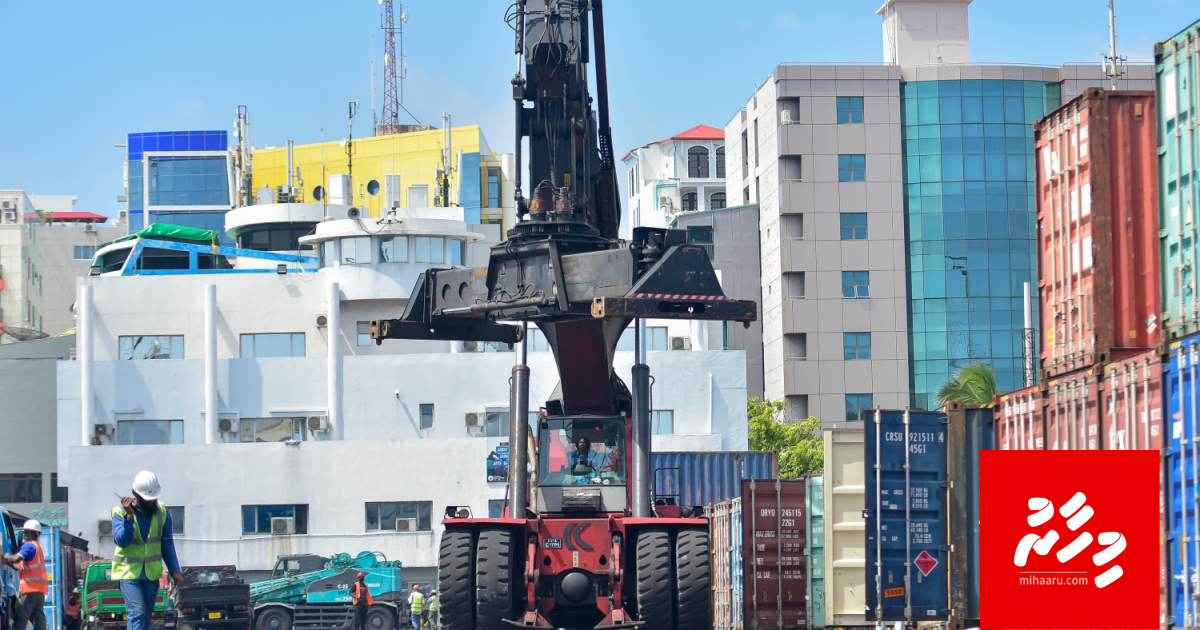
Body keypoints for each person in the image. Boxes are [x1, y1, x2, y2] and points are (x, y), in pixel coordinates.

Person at [112, 471, 183, 630]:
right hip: (128, 573)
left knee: (146, 615)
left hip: (151, 574)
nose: (151, 502)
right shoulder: (120, 512)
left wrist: (175, 570)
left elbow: (167, 543)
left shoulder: (162, 511)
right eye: (147, 499)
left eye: (153, 499)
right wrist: (129, 518)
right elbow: (121, 541)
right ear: (136, 494)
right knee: (136, 612)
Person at [2, 520, 49, 630]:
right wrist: (8, 562)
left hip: (29, 591)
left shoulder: (29, 546)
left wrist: (5, 556)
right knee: (39, 621)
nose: (24, 534)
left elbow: (15, 558)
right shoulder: (38, 547)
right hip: (40, 592)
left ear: (34, 534)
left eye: (26, 531)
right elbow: (20, 567)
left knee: (20, 618)